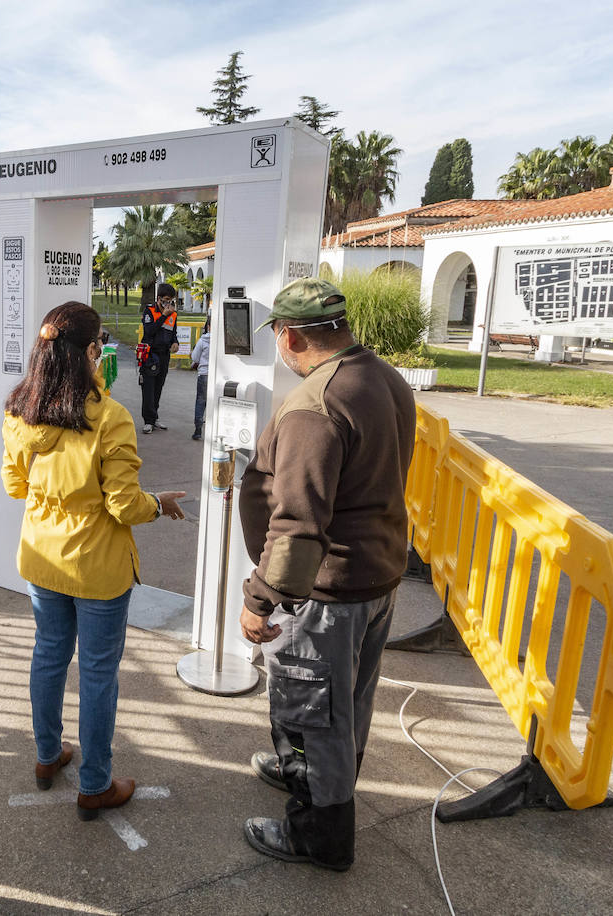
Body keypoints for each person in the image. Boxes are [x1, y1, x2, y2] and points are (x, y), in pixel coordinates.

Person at [236, 277, 415, 872]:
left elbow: (298, 526)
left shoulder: (317, 404)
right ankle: (316, 779)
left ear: (289, 336)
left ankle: (319, 833)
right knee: (345, 705)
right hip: (375, 576)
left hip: (328, 590)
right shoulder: (383, 378)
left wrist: (259, 601)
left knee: (311, 711)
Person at [1, 301, 186, 820]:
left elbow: (15, 485)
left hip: (42, 559)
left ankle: (45, 757)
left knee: (48, 656)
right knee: (99, 674)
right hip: (99, 567)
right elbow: (123, 504)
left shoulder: (19, 412)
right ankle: (94, 785)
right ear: (88, 351)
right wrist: (159, 504)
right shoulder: (109, 417)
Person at [138, 283, 179, 433]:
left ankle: (154, 418)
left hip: (164, 355)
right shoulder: (149, 311)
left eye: (171, 300)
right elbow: (149, 331)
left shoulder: (173, 314)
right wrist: (163, 316)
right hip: (150, 354)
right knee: (148, 388)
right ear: (159, 298)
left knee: (158, 387)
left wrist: (175, 342)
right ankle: (148, 421)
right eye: (166, 299)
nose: (168, 303)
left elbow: (173, 332)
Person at [190, 318, 210, 440]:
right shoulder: (222, 340)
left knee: (200, 402)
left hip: (203, 374)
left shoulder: (203, 340)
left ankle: (198, 430)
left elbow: (195, 358)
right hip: (217, 375)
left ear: (207, 326)